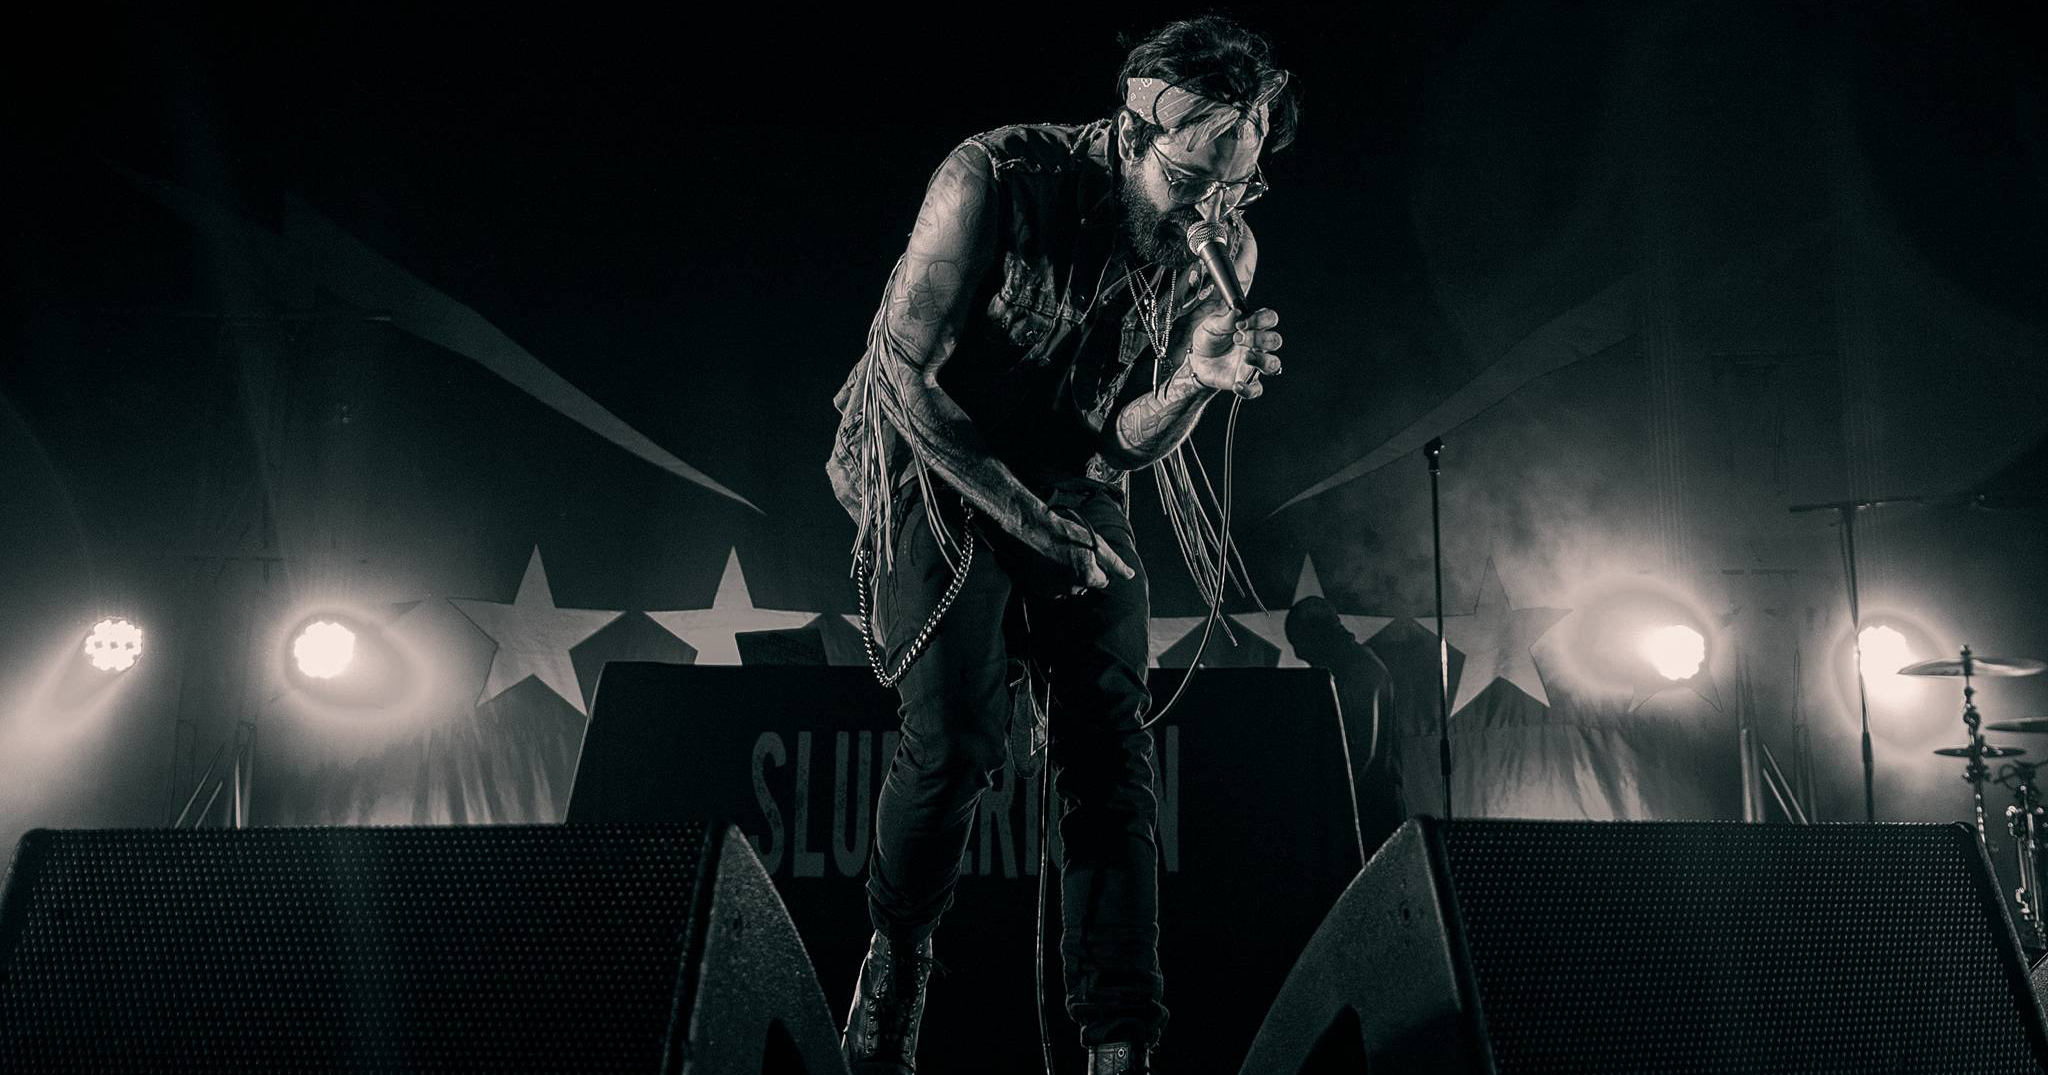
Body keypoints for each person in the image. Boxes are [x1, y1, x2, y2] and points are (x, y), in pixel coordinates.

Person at [824, 16, 1296, 1074]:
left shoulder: (1218, 247)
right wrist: (1030, 524)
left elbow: (1121, 441)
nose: (1211, 214)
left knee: (1110, 752)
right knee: (957, 741)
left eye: (1236, 189)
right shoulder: (991, 178)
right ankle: (897, 954)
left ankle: (1119, 1036)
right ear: (1131, 136)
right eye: (1190, 182)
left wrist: (1193, 381)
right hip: (936, 457)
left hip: (1071, 474)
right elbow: (906, 376)